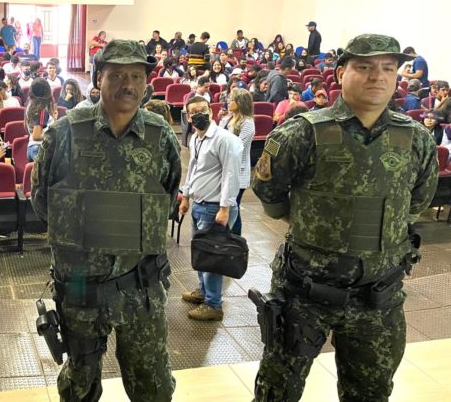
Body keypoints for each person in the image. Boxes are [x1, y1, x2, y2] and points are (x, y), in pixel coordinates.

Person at [251, 34, 438, 402]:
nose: (378, 77)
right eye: (364, 67)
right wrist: (307, 223)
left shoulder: (415, 138)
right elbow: (268, 190)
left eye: (388, 68)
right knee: (277, 391)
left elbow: (417, 201)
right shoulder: (303, 132)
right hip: (304, 293)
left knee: (370, 393)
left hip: (377, 298)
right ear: (340, 73)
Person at [32, 39, 180, 401]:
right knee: (79, 385)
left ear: (147, 81)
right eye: (116, 75)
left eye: (136, 75)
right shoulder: (64, 133)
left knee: (153, 386)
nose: (127, 84)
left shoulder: (160, 137)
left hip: (140, 285)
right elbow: (41, 201)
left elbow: (168, 196)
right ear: (99, 78)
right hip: (81, 284)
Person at [179, 95, 241, 321]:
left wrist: (225, 208)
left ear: (211, 111)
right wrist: (186, 196)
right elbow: (194, 169)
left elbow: (231, 175)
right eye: (194, 112)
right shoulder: (196, 138)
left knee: (213, 257)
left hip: (216, 207)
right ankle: (203, 291)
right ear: (187, 116)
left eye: (203, 110)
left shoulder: (225, 140)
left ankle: (213, 303)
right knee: (201, 253)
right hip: (199, 204)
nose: (199, 115)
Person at [218, 88, 255, 236]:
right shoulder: (227, 119)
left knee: (234, 206)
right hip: (223, 168)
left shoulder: (247, 123)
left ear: (241, 103)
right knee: (227, 205)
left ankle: (235, 239)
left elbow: (238, 147)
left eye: (232, 100)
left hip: (238, 171)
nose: (229, 102)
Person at [25, 78, 56, 162]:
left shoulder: (31, 104)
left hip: (33, 148)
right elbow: (36, 136)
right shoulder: (41, 110)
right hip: (39, 148)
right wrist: (54, 136)